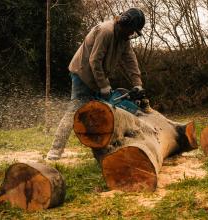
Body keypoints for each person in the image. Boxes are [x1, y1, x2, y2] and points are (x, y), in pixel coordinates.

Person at [46, 8, 146, 160]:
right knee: (75, 110)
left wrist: (138, 84)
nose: (131, 34)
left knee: (101, 114)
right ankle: (54, 152)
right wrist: (104, 85)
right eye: (131, 30)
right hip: (82, 74)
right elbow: (95, 61)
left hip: (98, 76)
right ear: (125, 24)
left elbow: (130, 61)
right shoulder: (106, 32)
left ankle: (102, 152)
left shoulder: (123, 39)